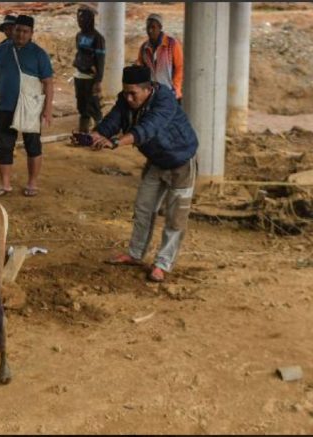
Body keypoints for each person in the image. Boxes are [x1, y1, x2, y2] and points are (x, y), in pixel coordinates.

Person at [89, 65, 198, 283]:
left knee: (175, 218)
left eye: (133, 94)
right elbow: (113, 120)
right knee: (143, 209)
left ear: (148, 89)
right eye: (125, 92)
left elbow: (147, 129)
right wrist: (96, 134)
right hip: (156, 161)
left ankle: (163, 263)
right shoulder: (125, 99)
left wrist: (117, 142)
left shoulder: (164, 100)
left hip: (181, 162)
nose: (128, 98)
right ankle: (136, 254)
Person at [0, 15, 54, 198]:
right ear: (12, 30)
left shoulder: (39, 54)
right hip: (6, 105)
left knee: (33, 145)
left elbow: (48, 83)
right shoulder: (2, 50)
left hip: (30, 107)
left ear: (31, 33)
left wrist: (47, 109)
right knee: (4, 145)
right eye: (18, 30)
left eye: (25, 31)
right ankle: (5, 184)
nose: (21, 34)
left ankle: (32, 182)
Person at [136, 13, 184, 103]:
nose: (150, 31)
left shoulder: (172, 44)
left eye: (153, 27)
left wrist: (176, 88)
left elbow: (180, 67)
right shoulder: (144, 48)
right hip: (152, 95)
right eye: (148, 27)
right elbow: (141, 68)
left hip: (171, 93)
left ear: (160, 27)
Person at [72, 6, 105, 133]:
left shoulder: (98, 38)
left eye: (82, 18)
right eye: (78, 18)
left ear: (90, 19)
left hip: (90, 78)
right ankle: (83, 132)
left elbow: (100, 60)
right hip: (79, 76)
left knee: (94, 106)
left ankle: (102, 132)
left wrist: (98, 81)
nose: (79, 21)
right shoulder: (79, 36)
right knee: (82, 106)